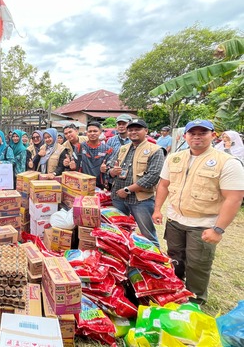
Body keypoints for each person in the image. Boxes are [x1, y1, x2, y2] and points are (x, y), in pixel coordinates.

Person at [153, 119, 244, 304]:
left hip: (203, 224)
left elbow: (234, 197)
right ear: (185, 136)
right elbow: (163, 185)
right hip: (175, 220)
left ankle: (195, 301)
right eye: (192, 133)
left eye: (202, 133)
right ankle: (176, 291)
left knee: (197, 265)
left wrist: (218, 230)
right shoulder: (174, 157)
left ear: (213, 135)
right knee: (174, 258)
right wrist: (157, 210)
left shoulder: (227, 162)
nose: (196, 137)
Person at [109, 119, 165, 247]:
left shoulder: (155, 150)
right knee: (120, 233)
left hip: (141, 201)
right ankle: (128, 261)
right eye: (131, 130)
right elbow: (110, 165)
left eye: (137, 129)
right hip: (118, 198)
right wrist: (111, 171)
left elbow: (153, 176)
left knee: (148, 235)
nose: (133, 132)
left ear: (146, 131)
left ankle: (155, 264)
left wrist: (128, 190)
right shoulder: (123, 149)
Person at [63, 122, 115, 189]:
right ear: (86, 133)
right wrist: (71, 166)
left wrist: (106, 169)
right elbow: (74, 167)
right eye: (90, 131)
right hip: (83, 185)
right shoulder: (79, 147)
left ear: (100, 132)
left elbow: (111, 171)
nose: (92, 133)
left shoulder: (108, 149)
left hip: (101, 186)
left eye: (95, 131)